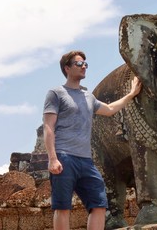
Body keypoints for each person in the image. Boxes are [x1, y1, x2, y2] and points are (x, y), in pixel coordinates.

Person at [43, 50, 141, 230]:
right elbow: (48, 127)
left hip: (86, 161)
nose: (84, 67)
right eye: (79, 64)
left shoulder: (89, 97)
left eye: (85, 64)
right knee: (63, 206)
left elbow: (110, 109)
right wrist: (52, 158)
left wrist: (131, 94)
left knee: (99, 204)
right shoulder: (56, 93)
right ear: (67, 68)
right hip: (64, 157)